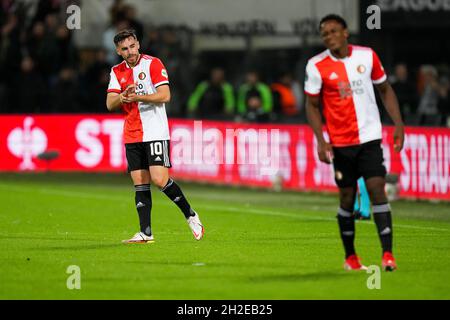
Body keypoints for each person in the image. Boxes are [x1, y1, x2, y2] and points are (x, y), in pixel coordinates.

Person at [305, 15, 404, 271]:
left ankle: (388, 254)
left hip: (369, 137)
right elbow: (312, 105)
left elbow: (385, 89)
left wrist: (399, 124)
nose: (329, 36)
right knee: (347, 197)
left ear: (346, 32)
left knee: (377, 189)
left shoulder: (367, 56)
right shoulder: (316, 66)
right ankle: (351, 257)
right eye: (324, 33)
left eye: (333, 31)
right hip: (340, 143)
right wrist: (320, 140)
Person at [105, 29, 204, 243]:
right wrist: (123, 96)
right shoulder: (116, 71)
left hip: (155, 131)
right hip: (132, 133)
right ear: (118, 51)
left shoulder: (153, 64)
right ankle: (145, 232)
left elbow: (165, 95)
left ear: (138, 44)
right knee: (140, 183)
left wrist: (137, 96)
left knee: (160, 180)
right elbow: (109, 103)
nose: (130, 51)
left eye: (132, 46)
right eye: (124, 49)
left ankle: (190, 215)